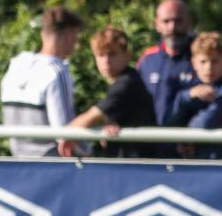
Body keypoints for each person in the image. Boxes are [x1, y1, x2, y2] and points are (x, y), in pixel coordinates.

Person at [58, 26, 157, 158]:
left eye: (112, 54)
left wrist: (65, 136)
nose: (106, 61)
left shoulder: (127, 83)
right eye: (101, 55)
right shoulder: (124, 81)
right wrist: (107, 121)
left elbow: (91, 116)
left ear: (127, 54)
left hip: (138, 165)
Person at [0, 6, 83, 156]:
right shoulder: (56, 71)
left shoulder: (15, 66)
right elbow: (64, 132)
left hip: (19, 160)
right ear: (69, 35)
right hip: (51, 164)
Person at [167, 32, 222, 159]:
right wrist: (188, 96)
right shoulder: (188, 88)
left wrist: (187, 139)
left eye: (214, 61)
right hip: (194, 164)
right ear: (194, 63)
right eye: (203, 61)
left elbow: (208, 119)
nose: (209, 67)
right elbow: (170, 119)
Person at [137, 0, 196, 126]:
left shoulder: (204, 58)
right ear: (157, 24)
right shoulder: (147, 59)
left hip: (191, 142)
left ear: (188, 22)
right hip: (153, 141)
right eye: (166, 21)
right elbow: (130, 97)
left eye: (178, 20)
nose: (172, 27)